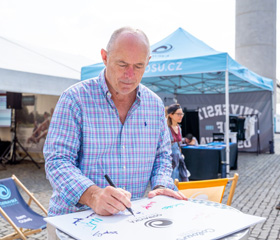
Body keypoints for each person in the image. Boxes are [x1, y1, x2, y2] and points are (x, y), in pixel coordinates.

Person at [44, 27, 186, 223]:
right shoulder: (75, 99)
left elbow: (162, 155)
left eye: (138, 66)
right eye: (122, 64)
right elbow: (57, 161)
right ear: (104, 57)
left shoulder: (154, 105)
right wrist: (92, 195)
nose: (130, 74)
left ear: (148, 62)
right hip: (76, 220)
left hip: (130, 220)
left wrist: (160, 185)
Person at [166, 103, 190, 182]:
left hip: (178, 160)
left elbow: (179, 145)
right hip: (169, 161)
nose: (181, 116)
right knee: (172, 183)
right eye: (178, 114)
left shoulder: (179, 128)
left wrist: (181, 154)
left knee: (181, 181)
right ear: (171, 115)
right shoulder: (166, 128)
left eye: (182, 114)